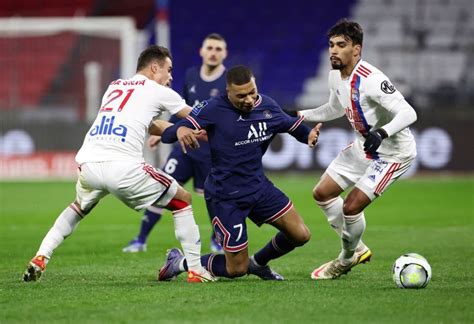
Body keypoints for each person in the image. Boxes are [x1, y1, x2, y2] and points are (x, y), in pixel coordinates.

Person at [23, 45, 215, 283]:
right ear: (155, 67)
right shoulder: (159, 91)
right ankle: (196, 270)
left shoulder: (115, 86)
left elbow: (149, 124)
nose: (171, 76)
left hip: (89, 164)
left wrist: (176, 131)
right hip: (124, 167)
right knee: (182, 200)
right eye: (169, 69)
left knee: (78, 208)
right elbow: (197, 118)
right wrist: (216, 132)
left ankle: (42, 256)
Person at [154, 65, 321, 281]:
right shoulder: (212, 109)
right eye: (241, 96)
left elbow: (291, 125)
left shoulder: (267, 105)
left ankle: (258, 263)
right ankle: (179, 262)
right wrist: (180, 129)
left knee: (301, 235)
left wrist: (307, 135)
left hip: (259, 188)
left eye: (252, 92)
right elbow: (168, 134)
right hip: (225, 196)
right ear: (228, 92)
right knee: (236, 269)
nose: (249, 99)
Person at [298, 19, 417, 280]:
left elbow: (409, 112)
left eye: (341, 45)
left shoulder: (372, 80)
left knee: (351, 208)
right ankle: (357, 249)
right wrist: (298, 115)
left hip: (393, 153)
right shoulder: (334, 76)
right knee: (322, 193)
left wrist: (382, 132)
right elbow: (333, 108)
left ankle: (344, 258)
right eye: (331, 45)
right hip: (365, 147)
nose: (334, 51)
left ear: (357, 50)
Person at [123, 33, 228, 254]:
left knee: (214, 196)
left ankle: (218, 241)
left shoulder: (228, 81)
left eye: (218, 49)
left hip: (210, 152)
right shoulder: (191, 75)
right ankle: (140, 239)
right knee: (162, 189)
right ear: (202, 51)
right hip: (183, 150)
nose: (213, 52)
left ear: (224, 54)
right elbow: (179, 108)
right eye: (210, 48)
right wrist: (163, 131)